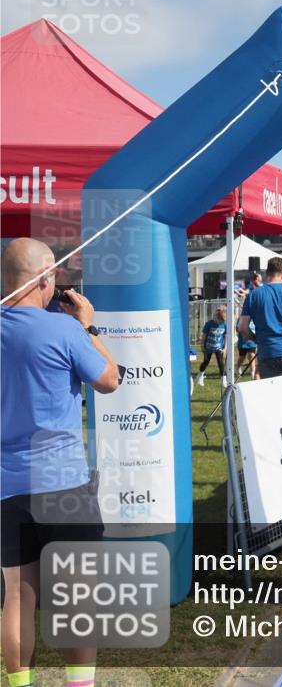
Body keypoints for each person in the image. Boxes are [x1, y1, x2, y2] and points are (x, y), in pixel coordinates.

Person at [1, 238, 120, 687]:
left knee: (17, 594)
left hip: (8, 485)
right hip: (63, 482)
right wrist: (88, 328)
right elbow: (110, 380)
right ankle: (79, 683)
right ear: (45, 276)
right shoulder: (63, 330)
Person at [238, 257, 282, 379]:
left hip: (268, 349)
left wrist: (255, 339)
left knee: (271, 392)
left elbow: (242, 327)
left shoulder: (254, 295)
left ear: (266, 273)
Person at [197, 305, 227, 387]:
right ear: (216, 317)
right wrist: (202, 346)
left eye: (222, 322)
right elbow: (204, 336)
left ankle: (223, 380)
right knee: (206, 361)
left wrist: (225, 348)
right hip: (208, 347)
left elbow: (226, 336)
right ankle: (200, 376)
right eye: (220, 321)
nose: (221, 323)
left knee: (221, 363)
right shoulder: (209, 324)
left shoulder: (224, 325)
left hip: (219, 347)